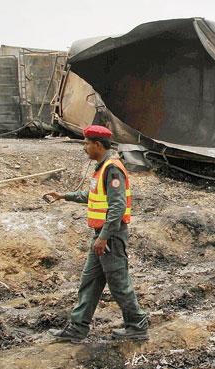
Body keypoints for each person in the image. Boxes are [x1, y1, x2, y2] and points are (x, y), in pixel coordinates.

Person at [45, 125, 148, 342]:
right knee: (90, 281)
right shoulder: (102, 168)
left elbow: (117, 207)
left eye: (86, 143)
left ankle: (137, 325)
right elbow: (92, 196)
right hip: (101, 236)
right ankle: (77, 328)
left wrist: (103, 238)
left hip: (110, 236)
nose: (84, 148)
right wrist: (64, 196)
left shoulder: (112, 169)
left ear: (98, 145)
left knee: (118, 283)